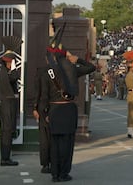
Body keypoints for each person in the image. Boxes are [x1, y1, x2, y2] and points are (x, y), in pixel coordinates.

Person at [40, 47, 95, 182]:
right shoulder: (72, 69)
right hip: (68, 110)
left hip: (53, 110)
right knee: (67, 144)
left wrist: (44, 112)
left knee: (54, 144)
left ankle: (55, 173)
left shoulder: (48, 72)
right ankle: (64, 173)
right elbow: (91, 67)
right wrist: (77, 59)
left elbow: (44, 96)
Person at [0, 49, 20, 166]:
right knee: (7, 131)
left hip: (8, 104)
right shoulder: (6, 73)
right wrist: (14, 66)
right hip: (8, 105)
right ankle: (5, 159)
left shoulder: (5, 72)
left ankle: (6, 157)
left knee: (7, 131)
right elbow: (15, 77)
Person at [33, 67, 51, 173]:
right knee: (52, 138)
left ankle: (45, 164)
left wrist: (35, 108)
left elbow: (37, 92)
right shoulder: (59, 72)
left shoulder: (41, 72)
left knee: (44, 137)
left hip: (42, 107)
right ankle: (52, 162)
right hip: (53, 108)